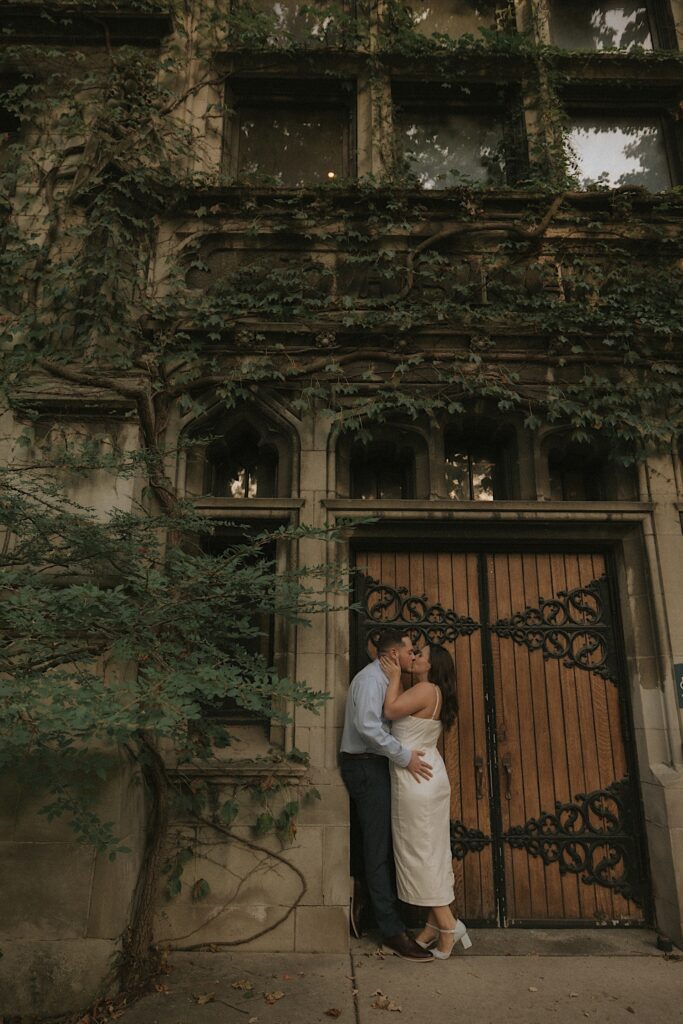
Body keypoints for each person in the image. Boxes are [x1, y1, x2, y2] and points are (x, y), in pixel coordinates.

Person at [339, 627, 434, 962]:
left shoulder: (386, 680)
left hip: (375, 765)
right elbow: (367, 727)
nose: (413, 656)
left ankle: (365, 902)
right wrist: (404, 756)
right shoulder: (370, 681)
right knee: (378, 847)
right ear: (394, 655)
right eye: (410, 652)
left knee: (379, 843)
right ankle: (393, 932)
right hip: (365, 766)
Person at [381, 641, 472, 959]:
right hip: (429, 775)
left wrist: (393, 677)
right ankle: (432, 926)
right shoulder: (434, 692)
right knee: (430, 852)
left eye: (421, 655)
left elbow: (390, 711)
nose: (415, 657)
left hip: (416, 782)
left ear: (430, 666)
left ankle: (448, 926)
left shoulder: (424, 690)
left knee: (419, 852)